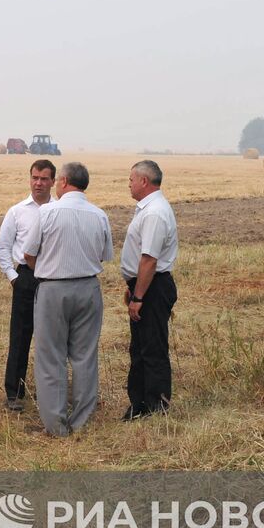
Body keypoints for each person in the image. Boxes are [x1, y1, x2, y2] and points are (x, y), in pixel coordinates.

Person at [23, 162, 113, 436]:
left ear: (62, 181)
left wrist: (46, 267)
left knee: (51, 357)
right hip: (88, 288)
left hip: (53, 289)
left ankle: (55, 426)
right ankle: (81, 422)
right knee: (85, 356)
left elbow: (28, 254)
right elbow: (103, 255)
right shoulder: (99, 215)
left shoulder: (47, 212)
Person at [0, 159, 56, 412]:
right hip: (25, 279)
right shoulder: (17, 211)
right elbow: (2, 247)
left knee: (52, 338)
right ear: (29, 179)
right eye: (34, 178)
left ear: (53, 181)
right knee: (20, 337)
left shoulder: (61, 210)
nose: (38, 183)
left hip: (53, 279)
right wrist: (13, 277)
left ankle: (49, 391)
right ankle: (14, 393)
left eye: (44, 178)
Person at [120, 160, 179, 420]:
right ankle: (140, 404)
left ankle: (156, 407)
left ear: (144, 181)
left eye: (131, 179)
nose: (129, 183)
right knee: (140, 347)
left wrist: (139, 296)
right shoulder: (149, 208)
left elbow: (149, 259)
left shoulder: (154, 212)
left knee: (152, 347)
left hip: (152, 288)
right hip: (144, 285)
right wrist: (131, 288)